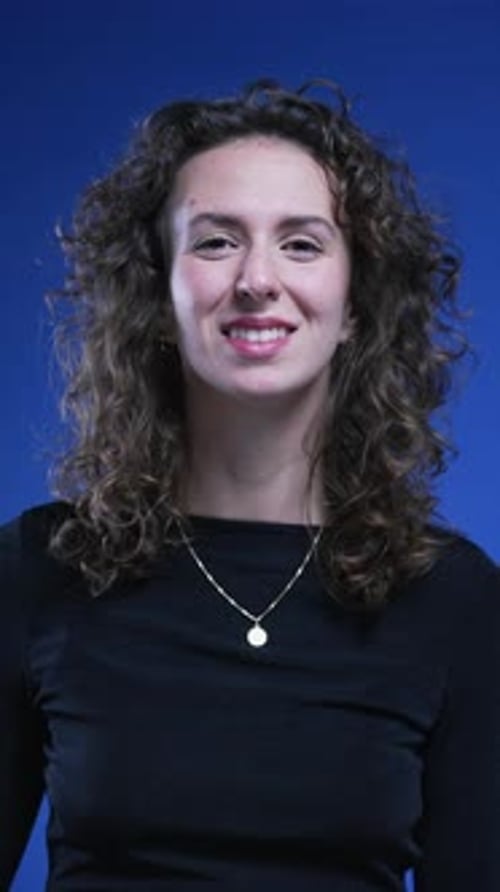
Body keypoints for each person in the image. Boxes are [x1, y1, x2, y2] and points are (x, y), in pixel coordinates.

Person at [1, 79, 499, 892]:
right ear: (159, 298)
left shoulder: (455, 599)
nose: (258, 279)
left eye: (301, 244)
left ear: (354, 309)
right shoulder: (36, 570)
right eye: (216, 242)